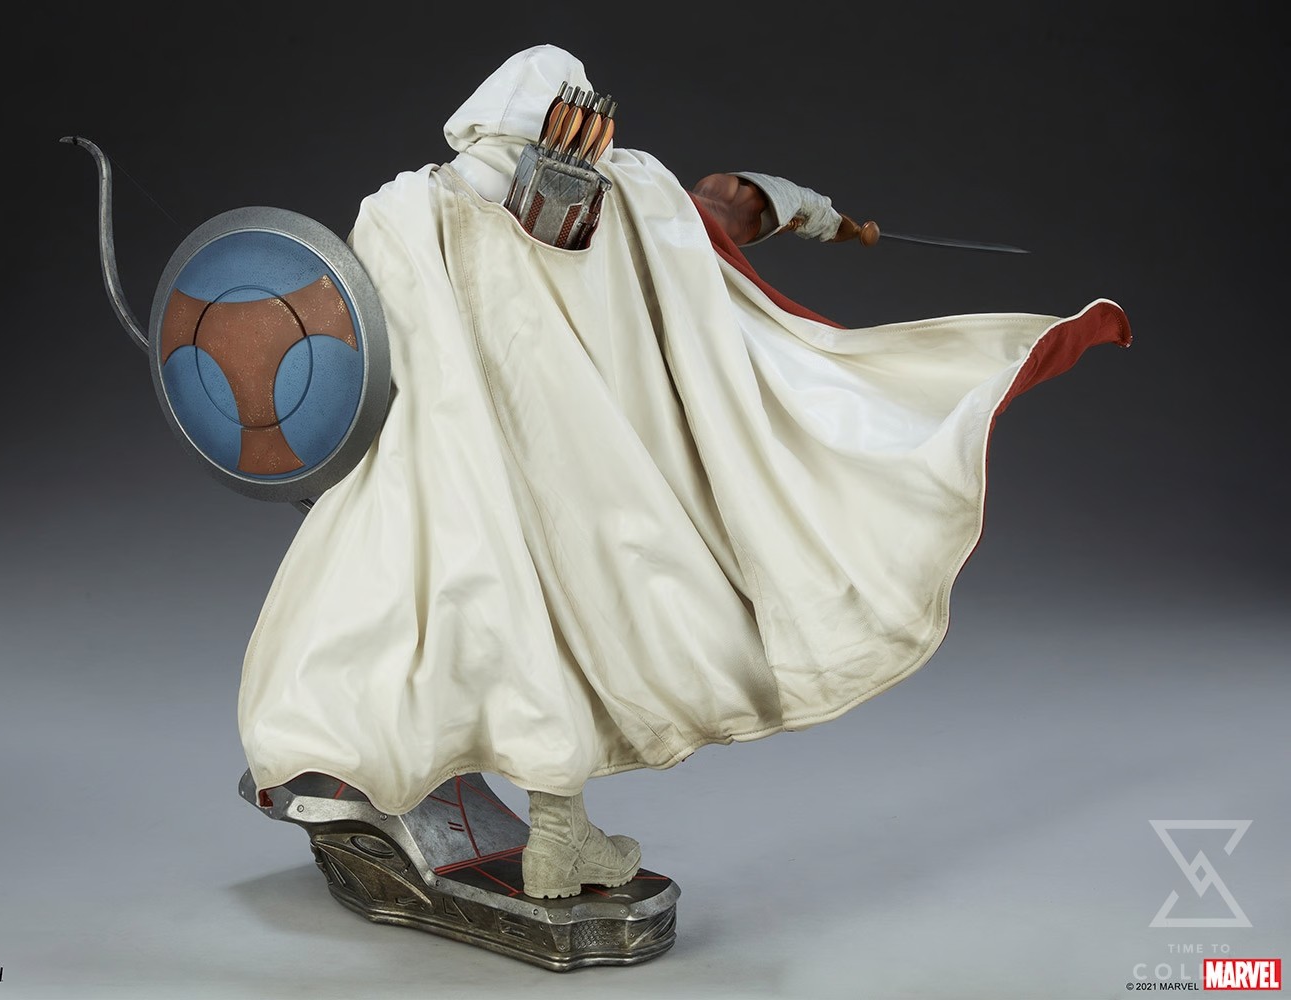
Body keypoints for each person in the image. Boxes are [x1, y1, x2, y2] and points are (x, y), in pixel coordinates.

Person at [236, 43, 1131, 900]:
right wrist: (822, 217)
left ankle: (555, 835)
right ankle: (555, 835)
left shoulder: (406, 207)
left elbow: (335, 331)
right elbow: (733, 203)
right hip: (591, 476)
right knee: (586, 632)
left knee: (494, 630)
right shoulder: (632, 192)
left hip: (462, 476)